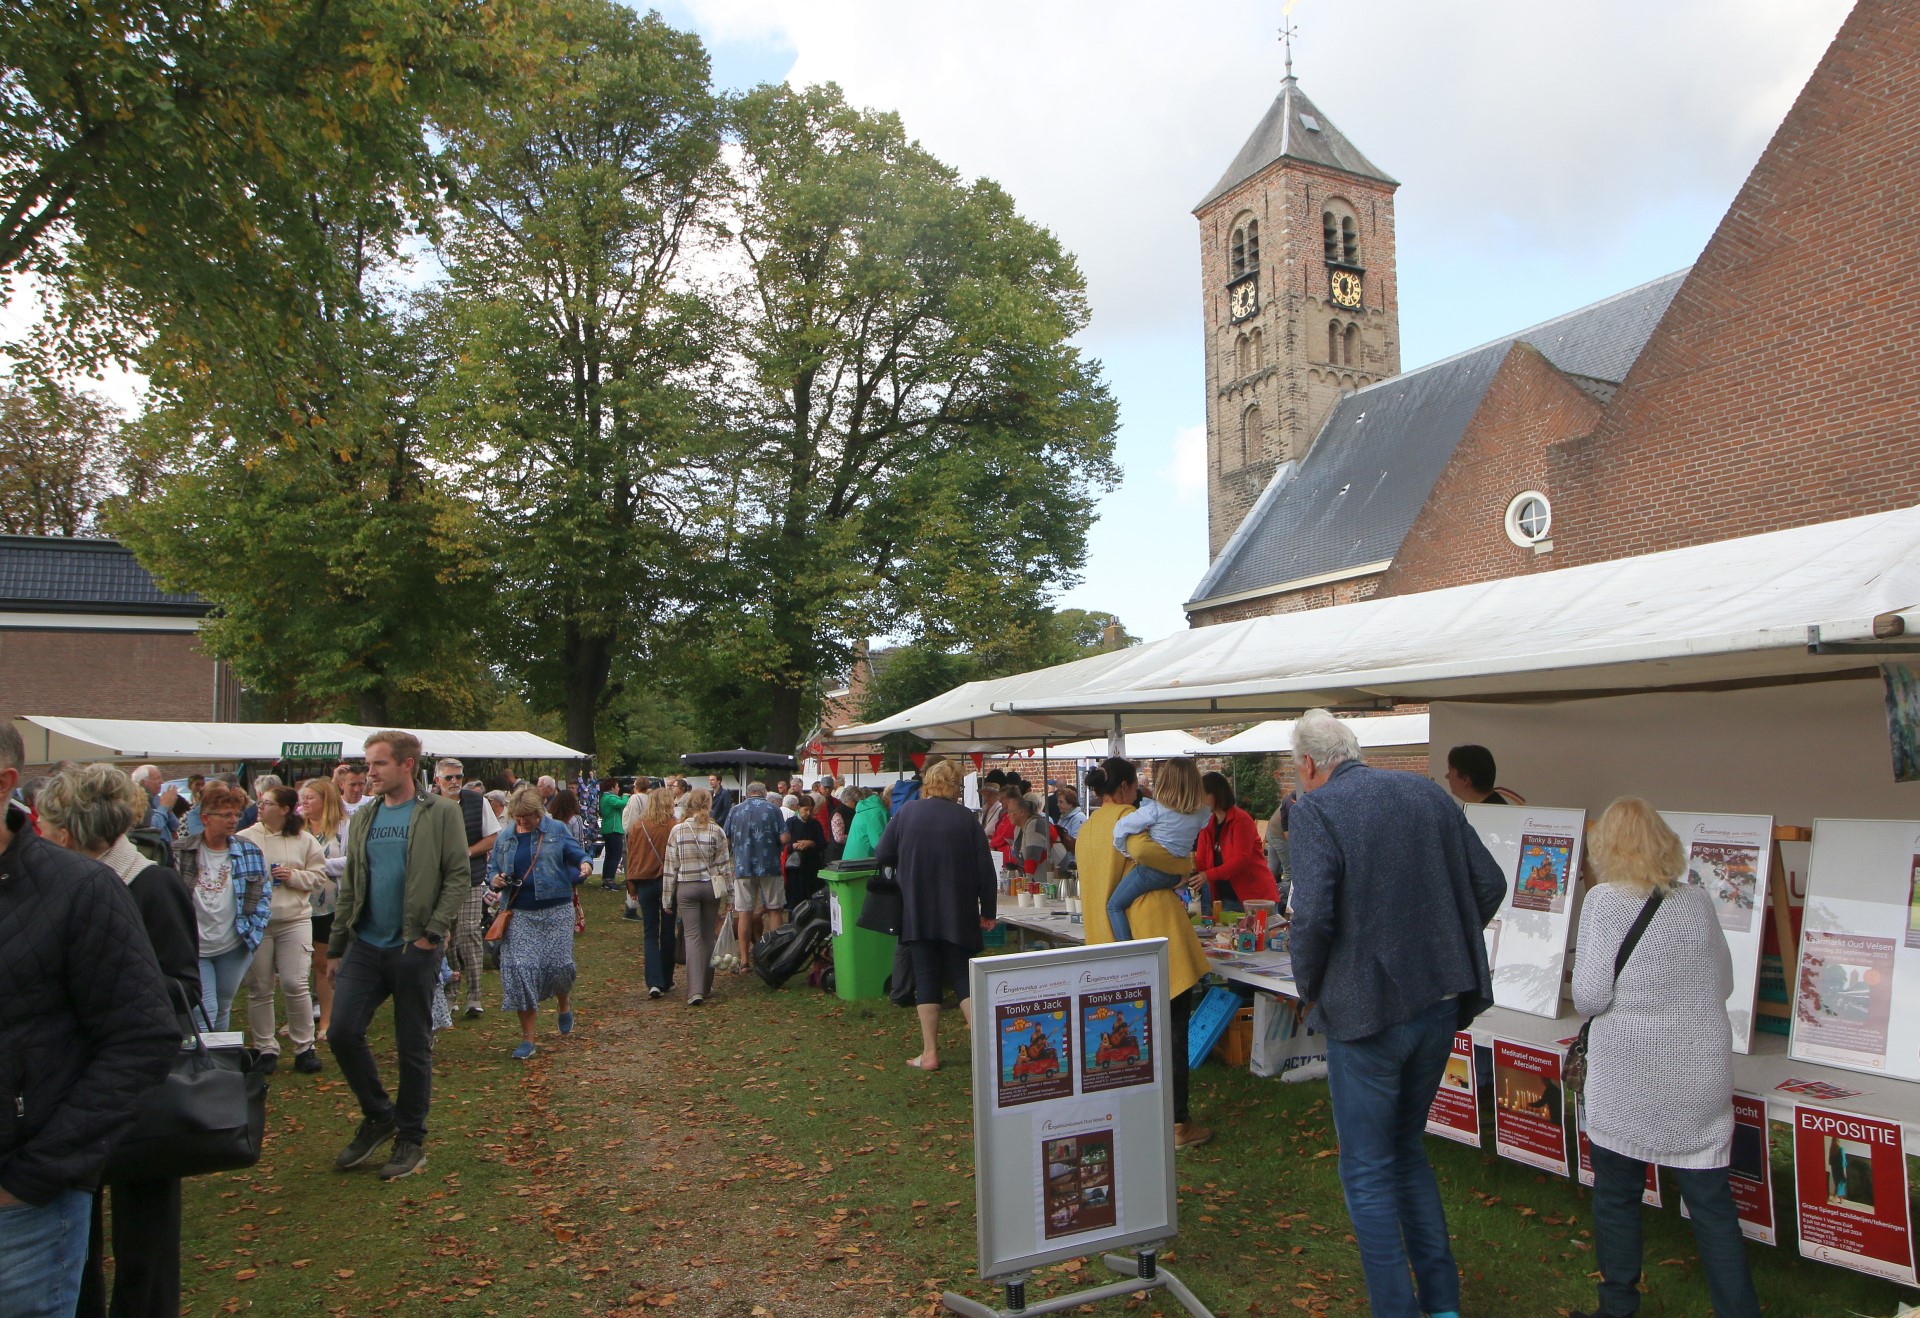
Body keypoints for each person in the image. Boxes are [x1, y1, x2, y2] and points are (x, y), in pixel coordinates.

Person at [1286, 709, 1506, 1318]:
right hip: (1437, 1002)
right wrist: (1443, 946)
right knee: (1405, 1152)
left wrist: (1309, 985)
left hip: (1369, 1014)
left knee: (1367, 1169)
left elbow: (1311, 917)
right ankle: (1441, 1304)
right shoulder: (1426, 793)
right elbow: (1489, 884)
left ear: (1308, 765)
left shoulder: (1317, 811)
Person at [0, 725, 180, 1318]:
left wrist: (39, 1172)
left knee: (136, 1235)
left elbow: (156, 1019)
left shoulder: (118, 885)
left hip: (45, 1167)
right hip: (66, 1130)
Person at [1570, 798, 1760, 1318]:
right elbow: (1723, 983)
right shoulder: (1695, 900)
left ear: (1604, 847)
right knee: (1711, 1205)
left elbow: (1588, 997)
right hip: (1698, 1070)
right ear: (1664, 843)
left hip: (1629, 1070)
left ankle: (1617, 1308)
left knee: (1617, 1197)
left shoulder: (1604, 902)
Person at [37, 764, 199, 1318]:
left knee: (145, 1244)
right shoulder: (47, 886)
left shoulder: (151, 883)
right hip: (66, 1089)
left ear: (67, 830)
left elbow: (184, 986)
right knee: (70, 1238)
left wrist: (112, 988)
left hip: (142, 1092)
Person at [325, 730, 471, 1182]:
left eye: (378, 764)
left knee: (412, 1046)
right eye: (368, 765)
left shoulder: (440, 813)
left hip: (414, 945)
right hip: (366, 945)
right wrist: (336, 945)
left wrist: (433, 933)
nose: (369, 773)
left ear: (407, 765)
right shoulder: (366, 816)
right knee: (342, 1032)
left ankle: (411, 1137)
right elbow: (351, 881)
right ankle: (378, 1114)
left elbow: (457, 874)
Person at [1078, 756, 1213, 1148]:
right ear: (1123, 789)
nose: (1138, 792)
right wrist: (1183, 867)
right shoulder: (1132, 816)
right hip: (1153, 932)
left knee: (1128, 1036)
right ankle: (1176, 1123)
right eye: (1135, 786)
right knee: (1171, 1031)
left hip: (1108, 940)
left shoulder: (1088, 828)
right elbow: (1153, 856)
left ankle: (1132, 1116)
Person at [872, 759, 996, 1072]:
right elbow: (986, 870)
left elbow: (882, 853)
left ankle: (929, 1054)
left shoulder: (907, 813)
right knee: (961, 977)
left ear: (928, 783)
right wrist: (989, 910)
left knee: (925, 978)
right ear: (956, 787)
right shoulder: (966, 820)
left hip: (918, 909)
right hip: (958, 909)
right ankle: (988, 1052)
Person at [488, 785, 592, 1060]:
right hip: (519, 913)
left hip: (556, 909)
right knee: (522, 970)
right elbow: (493, 869)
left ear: (539, 812)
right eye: (518, 817)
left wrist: (585, 864)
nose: (523, 822)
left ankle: (563, 1002)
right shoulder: (506, 837)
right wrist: (495, 879)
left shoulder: (556, 829)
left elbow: (577, 854)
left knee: (559, 966)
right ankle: (528, 1039)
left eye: (528, 817)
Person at [237, 786, 328, 1074]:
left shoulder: (304, 840)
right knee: (260, 986)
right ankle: (266, 1048)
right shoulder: (245, 838)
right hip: (258, 922)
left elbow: (318, 876)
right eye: (260, 803)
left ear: (285, 809)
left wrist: (293, 876)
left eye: (267, 803)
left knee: (294, 982)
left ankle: (305, 1047)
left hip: (294, 919)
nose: (260, 807)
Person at [171, 780, 273, 1031]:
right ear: (205, 818)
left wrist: (255, 930)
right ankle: (204, 1064)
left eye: (236, 814)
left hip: (234, 944)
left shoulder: (249, 851)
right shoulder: (181, 851)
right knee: (206, 1008)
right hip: (196, 946)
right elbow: (170, 897)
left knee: (224, 1004)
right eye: (226, 815)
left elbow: (263, 893)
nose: (233, 820)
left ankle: (219, 1064)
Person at [1106, 758, 1210, 941]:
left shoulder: (1155, 810)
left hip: (1151, 871)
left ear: (1165, 781)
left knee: (1114, 905)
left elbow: (1120, 828)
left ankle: (1128, 952)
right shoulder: (1202, 813)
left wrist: (1127, 852)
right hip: (1176, 875)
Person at [433, 758, 499, 1020]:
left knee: (469, 933)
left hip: (470, 878)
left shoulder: (477, 801)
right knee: (444, 937)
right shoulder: (427, 805)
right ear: (437, 779)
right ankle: (451, 993)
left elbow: (492, 837)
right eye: (449, 778)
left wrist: (467, 852)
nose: (454, 782)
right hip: (438, 882)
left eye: (458, 777)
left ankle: (475, 995)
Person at [664, 788, 731, 1006]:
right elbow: (724, 867)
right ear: (709, 805)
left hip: (687, 886)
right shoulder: (717, 831)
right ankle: (706, 985)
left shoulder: (678, 831)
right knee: (708, 935)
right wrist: (730, 896)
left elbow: (670, 868)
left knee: (691, 937)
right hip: (710, 887)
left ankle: (694, 990)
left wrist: (666, 899)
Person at [298, 777, 348, 1036]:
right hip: (298, 904)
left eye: (309, 798)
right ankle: (301, 1017)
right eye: (302, 798)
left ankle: (327, 1018)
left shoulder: (343, 827)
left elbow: (353, 860)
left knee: (323, 963)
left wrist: (318, 866)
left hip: (330, 906)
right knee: (297, 967)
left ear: (325, 800)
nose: (304, 802)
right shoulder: (297, 828)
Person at [1189, 772, 1280, 912]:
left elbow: (1241, 859)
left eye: (1203, 796)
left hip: (1255, 898)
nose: (1200, 801)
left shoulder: (1240, 820)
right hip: (1227, 899)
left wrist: (1208, 875)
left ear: (1217, 794)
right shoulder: (1207, 824)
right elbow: (1201, 860)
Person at [724, 782, 787, 969]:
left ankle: (744, 959)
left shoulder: (735, 810)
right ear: (764, 793)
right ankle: (775, 954)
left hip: (743, 867)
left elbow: (726, 839)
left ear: (747, 793)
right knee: (775, 909)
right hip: (769, 866)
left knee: (745, 912)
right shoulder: (773, 809)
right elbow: (784, 837)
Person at [624, 787, 677, 998]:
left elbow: (632, 856)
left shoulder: (638, 826)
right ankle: (666, 977)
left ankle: (654, 981)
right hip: (668, 882)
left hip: (645, 881)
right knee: (668, 930)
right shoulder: (674, 826)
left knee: (650, 932)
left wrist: (631, 884)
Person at [781, 794, 827, 908]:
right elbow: (783, 844)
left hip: (812, 866)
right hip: (795, 868)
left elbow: (823, 844)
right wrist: (794, 846)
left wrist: (812, 843)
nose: (808, 813)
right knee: (795, 900)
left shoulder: (815, 824)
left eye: (810, 810)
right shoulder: (791, 823)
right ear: (798, 808)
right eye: (805, 810)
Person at [1443, 744, 1525, 806]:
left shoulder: (1490, 815)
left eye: (1450, 771)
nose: (1447, 776)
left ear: (1465, 779)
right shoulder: (1483, 808)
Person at [1004, 791, 1054, 884]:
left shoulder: (1035, 824)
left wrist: (1027, 884)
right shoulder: (1019, 827)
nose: (1008, 815)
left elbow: (1032, 857)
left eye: (1010, 811)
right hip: (1040, 879)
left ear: (1021, 812)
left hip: (1049, 881)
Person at [128, 764, 180, 842]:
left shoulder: (157, 798)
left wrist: (168, 811)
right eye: (157, 779)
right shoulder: (136, 801)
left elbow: (174, 826)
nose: (162, 782)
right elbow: (151, 828)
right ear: (143, 782)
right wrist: (163, 808)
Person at [596, 777, 629, 892]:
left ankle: (606, 878)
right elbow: (623, 803)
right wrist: (626, 795)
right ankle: (610, 879)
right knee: (616, 855)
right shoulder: (610, 798)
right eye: (617, 787)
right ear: (612, 788)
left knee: (609, 856)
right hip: (614, 829)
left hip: (607, 829)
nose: (618, 789)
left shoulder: (604, 798)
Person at [842, 785, 888, 862]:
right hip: (862, 863)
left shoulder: (863, 810)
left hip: (850, 861)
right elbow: (879, 844)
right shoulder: (876, 812)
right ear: (887, 800)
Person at [1055, 785, 1087, 854]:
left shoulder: (1079, 818)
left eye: (1061, 802)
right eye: (1058, 802)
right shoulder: (1062, 818)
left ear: (1070, 803)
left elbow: (1077, 843)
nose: (1058, 804)